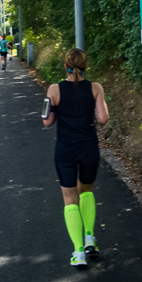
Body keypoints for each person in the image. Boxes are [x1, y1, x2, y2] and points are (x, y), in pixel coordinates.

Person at [42, 48, 109, 267]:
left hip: (65, 150)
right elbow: (103, 118)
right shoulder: (95, 88)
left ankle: (78, 252)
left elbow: (47, 121)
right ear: (86, 66)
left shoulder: (54, 89)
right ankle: (90, 238)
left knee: (69, 199)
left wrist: (52, 105)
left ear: (65, 66)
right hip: (89, 148)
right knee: (87, 192)